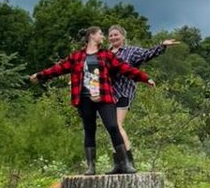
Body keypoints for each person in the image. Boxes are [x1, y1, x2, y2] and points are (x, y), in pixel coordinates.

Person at [29, 26, 155, 174]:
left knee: (113, 127)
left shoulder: (106, 55)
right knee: (89, 130)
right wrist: (40, 75)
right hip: (84, 98)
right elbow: (58, 69)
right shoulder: (76, 57)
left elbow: (125, 68)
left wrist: (145, 78)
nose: (104, 37)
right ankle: (91, 167)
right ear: (92, 36)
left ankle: (125, 163)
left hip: (104, 97)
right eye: (101, 34)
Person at [107, 25, 178, 167]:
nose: (114, 37)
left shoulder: (131, 52)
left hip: (123, 91)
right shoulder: (104, 54)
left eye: (116, 35)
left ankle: (128, 161)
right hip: (107, 93)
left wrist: (162, 45)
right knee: (111, 128)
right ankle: (118, 163)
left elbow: (147, 54)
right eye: (111, 35)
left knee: (116, 125)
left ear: (123, 36)